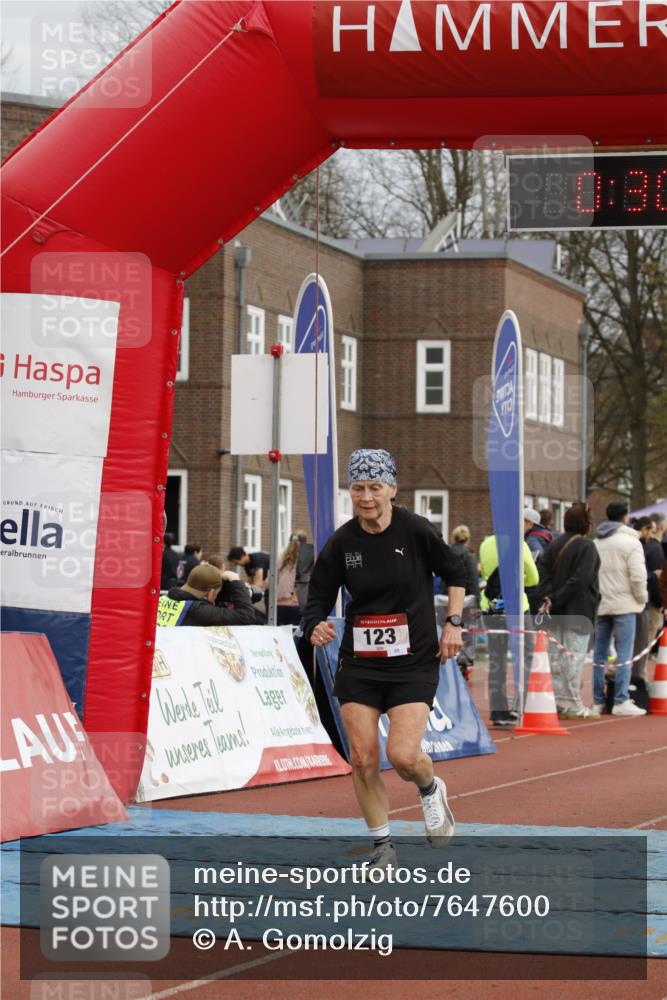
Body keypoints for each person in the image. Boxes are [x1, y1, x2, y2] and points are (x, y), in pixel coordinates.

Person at [303, 448, 466, 875]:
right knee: (362, 757)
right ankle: (382, 845)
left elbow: (457, 572)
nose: (367, 496)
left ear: (392, 488)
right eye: (358, 488)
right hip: (360, 661)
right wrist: (316, 623)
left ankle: (430, 789)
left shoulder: (415, 531)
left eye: (375, 487)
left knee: (405, 755)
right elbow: (318, 594)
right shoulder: (343, 542)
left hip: (412, 660)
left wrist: (453, 622)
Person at [536, 503, 600, 719]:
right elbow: (581, 580)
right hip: (578, 612)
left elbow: (541, 571)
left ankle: (556, 701)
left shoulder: (554, 545)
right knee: (573, 658)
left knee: (556, 659)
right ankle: (572, 703)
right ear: (586, 524)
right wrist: (558, 596)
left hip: (555, 613)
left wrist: (550, 596)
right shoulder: (587, 547)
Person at [593, 500, 648, 716]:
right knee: (625, 652)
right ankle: (620, 699)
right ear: (625, 517)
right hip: (625, 604)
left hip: (601, 603)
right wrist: (641, 599)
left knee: (600, 654)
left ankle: (598, 700)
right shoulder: (631, 543)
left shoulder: (597, 542)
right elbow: (637, 577)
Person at [479, 531, 539, 726]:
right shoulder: (519, 544)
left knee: (497, 659)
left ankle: (498, 711)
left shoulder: (485, 544)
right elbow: (533, 578)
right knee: (526, 655)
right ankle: (521, 706)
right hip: (517, 607)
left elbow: (485, 572)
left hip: (490, 605)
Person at [158, 563, 256, 626]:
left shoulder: (163, 599)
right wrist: (236, 581)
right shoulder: (197, 610)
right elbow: (246, 616)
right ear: (211, 593)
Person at [449, 525, 480, 674]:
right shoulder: (469, 556)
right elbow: (474, 580)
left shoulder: (446, 552)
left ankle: (449, 662)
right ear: (467, 539)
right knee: (467, 632)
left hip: (446, 600)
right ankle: (464, 664)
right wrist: (477, 604)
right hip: (466, 600)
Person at [524, 507, 552, 614]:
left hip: (535, 589)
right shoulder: (546, 535)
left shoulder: (532, 540)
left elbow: (539, 558)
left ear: (529, 524)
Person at [275, 537, 304, 626]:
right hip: (296, 604)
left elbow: (270, 581)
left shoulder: (281, 558)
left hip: (279, 604)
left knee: (280, 634)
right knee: (296, 634)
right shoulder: (305, 560)